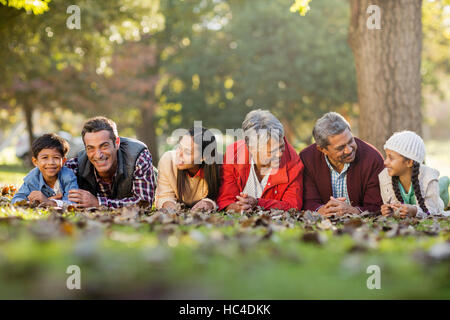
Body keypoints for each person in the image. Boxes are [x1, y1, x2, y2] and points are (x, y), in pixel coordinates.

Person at [217, 109, 304, 212]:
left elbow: (293, 205)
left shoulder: (293, 162)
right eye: (271, 151)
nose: (280, 153)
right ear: (251, 148)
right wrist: (239, 207)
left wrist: (258, 203)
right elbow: (225, 199)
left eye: (281, 146)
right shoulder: (233, 155)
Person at [300, 112, 384, 215]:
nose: (349, 150)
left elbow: (376, 205)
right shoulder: (307, 159)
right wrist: (321, 210)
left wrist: (354, 211)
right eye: (340, 148)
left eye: (350, 141)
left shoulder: (372, 158)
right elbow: (308, 201)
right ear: (322, 149)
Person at [65, 116, 156, 208]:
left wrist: (98, 203)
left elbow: (144, 203)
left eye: (104, 146)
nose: (98, 155)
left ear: (117, 143)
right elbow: (55, 194)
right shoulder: (77, 164)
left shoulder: (138, 156)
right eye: (91, 148)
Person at [379, 131, 445, 218]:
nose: (385, 162)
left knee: (442, 192)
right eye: (386, 156)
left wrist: (415, 211)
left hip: (436, 197)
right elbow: (393, 207)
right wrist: (389, 211)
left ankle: (445, 181)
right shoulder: (385, 176)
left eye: (391, 158)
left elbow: (433, 210)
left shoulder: (429, 178)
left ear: (409, 162)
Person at [155, 127, 221, 211]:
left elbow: (223, 197)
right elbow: (164, 196)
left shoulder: (219, 166)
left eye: (187, 152)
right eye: (179, 147)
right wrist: (170, 206)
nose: (179, 155)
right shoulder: (168, 160)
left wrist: (209, 203)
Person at [12, 133, 78, 206]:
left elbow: (73, 203)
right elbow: (17, 199)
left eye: (56, 157)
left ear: (64, 161)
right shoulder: (33, 177)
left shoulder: (68, 176)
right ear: (35, 161)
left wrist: (49, 202)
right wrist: (31, 203)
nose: (51, 162)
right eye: (45, 157)